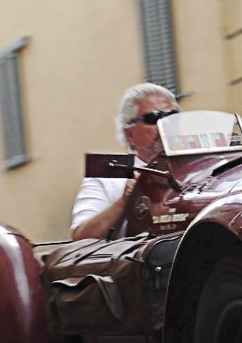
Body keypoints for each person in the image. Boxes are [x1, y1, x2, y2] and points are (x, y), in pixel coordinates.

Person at [70, 83, 179, 240]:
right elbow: (81, 237)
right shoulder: (111, 172)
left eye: (171, 117)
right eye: (153, 118)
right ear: (130, 134)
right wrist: (124, 201)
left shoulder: (199, 167)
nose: (165, 124)